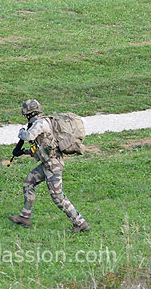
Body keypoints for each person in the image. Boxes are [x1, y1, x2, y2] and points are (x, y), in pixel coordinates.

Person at [9, 99, 90, 232]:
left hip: (53, 165)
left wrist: (21, 132)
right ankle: (25, 216)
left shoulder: (41, 123)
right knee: (29, 182)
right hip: (48, 162)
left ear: (29, 113)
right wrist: (23, 152)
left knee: (58, 197)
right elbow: (41, 149)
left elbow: (29, 136)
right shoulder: (40, 122)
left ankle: (80, 223)